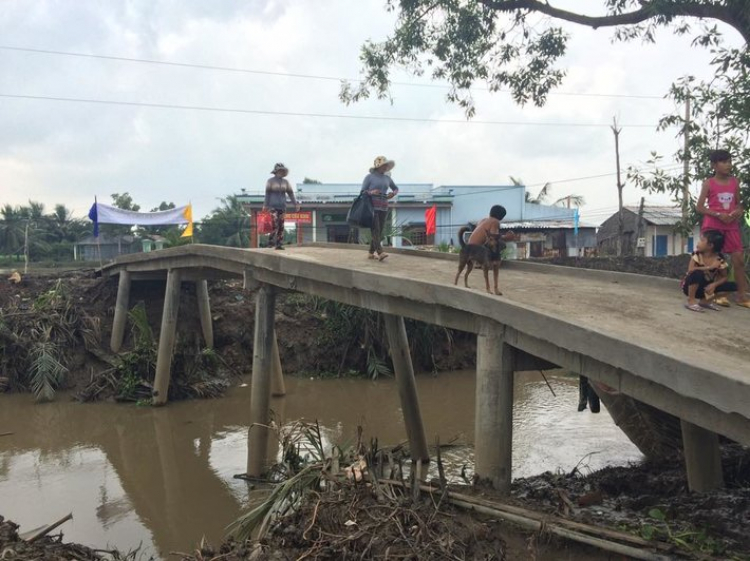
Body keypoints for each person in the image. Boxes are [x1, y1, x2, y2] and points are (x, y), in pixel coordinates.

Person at [696, 150, 749, 307]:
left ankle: (742, 297)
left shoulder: (735, 182)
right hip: (713, 227)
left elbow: (739, 204)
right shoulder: (708, 183)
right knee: (717, 263)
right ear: (714, 165)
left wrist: (739, 211)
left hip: (731, 226)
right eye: (724, 162)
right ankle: (719, 295)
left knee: (738, 260)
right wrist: (718, 215)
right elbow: (699, 207)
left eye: (729, 161)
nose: (728, 165)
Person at [682, 230, 737, 312]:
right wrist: (710, 267)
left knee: (733, 286)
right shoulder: (697, 254)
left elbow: (724, 277)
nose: (698, 242)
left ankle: (705, 302)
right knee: (697, 273)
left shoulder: (719, 259)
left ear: (710, 245)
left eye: (702, 240)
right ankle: (691, 301)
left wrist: (714, 285)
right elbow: (691, 270)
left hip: (707, 289)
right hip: (690, 287)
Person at [361, 156, 398, 261]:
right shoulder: (369, 177)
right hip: (372, 207)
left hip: (384, 207)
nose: (386, 167)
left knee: (379, 231)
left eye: (387, 165)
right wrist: (371, 192)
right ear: (378, 166)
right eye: (384, 165)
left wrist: (393, 194)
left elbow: (396, 188)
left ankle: (370, 252)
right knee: (375, 230)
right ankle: (380, 252)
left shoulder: (388, 178)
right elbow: (363, 192)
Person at [263, 162, 300, 250]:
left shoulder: (286, 182)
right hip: (272, 206)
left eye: (282, 171)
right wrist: (265, 205)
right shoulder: (270, 181)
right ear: (276, 171)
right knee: (275, 224)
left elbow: (290, 194)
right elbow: (267, 194)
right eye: (280, 170)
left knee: (281, 225)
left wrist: (295, 204)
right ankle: (271, 240)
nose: (281, 172)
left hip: (282, 206)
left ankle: (279, 244)